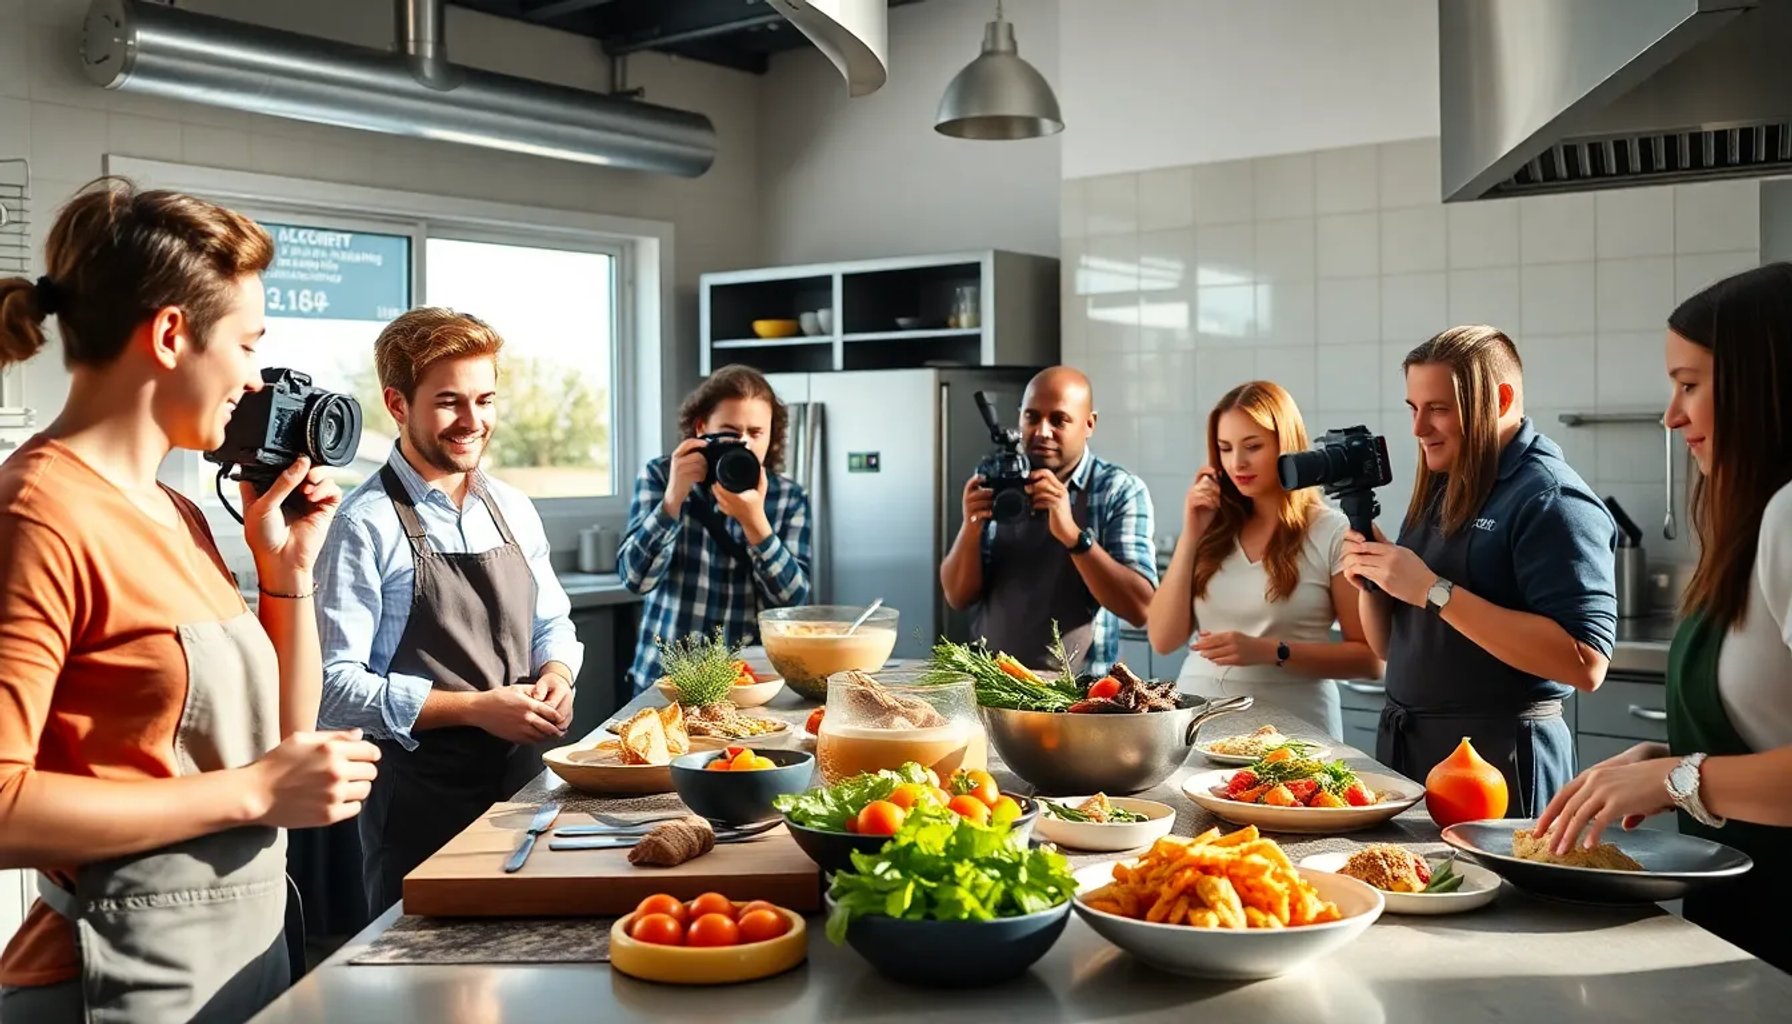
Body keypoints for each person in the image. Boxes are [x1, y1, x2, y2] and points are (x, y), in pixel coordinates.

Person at [0, 180, 380, 1023]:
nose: (255, 378)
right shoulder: (37, 514)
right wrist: (250, 795)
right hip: (109, 983)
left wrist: (285, 572)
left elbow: (282, 738)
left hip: (238, 961)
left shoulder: (174, 509)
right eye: (248, 345)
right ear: (172, 334)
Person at [1536, 264, 1792, 972]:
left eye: (1689, 384)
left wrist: (1682, 777)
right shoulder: (1760, 518)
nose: (1671, 415)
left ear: (1761, 383)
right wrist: (1667, 757)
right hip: (1747, 915)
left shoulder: (1791, 515)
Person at [313, 307, 584, 916]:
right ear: (397, 404)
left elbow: (553, 623)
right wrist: (479, 709)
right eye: (448, 402)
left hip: (524, 790)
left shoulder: (513, 507)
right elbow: (332, 689)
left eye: (485, 400)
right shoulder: (362, 525)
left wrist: (557, 674)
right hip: (419, 808)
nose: (472, 422)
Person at [1342, 326, 1617, 815]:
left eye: (1439, 409)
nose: (1419, 428)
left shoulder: (1551, 498)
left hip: (1502, 765)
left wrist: (1432, 589)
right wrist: (1378, 579)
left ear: (1501, 399)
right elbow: (1390, 648)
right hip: (1412, 755)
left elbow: (1587, 663)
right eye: (1413, 407)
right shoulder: (1442, 486)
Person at [1149, 381, 1383, 738]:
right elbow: (1163, 640)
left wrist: (1271, 651)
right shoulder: (1211, 528)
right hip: (1197, 728)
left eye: (1253, 446)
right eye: (1225, 449)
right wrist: (1192, 532)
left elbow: (1371, 661)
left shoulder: (1332, 532)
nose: (1236, 463)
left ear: (1285, 444)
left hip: (1295, 734)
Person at [941, 366, 1157, 675]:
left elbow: (1140, 610)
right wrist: (970, 527)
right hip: (993, 686)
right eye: (1032, 417)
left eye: (1059, 419)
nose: (1042, 431)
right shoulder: (999, 479)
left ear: (1089, 424)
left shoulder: (1117, 490)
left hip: (1079, 698)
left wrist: (1073, 536)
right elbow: (957, 596)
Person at [619, 365, 811, 693]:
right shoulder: (662, 476)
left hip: (747, 682)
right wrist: (673, 499)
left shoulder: (787, 496)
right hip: (665, 679)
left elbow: (792, 601)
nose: (744, 443)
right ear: (702, 428)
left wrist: (755, 523)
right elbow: (635, 579)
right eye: (730, 430)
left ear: (771, 436)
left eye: (756, 432)